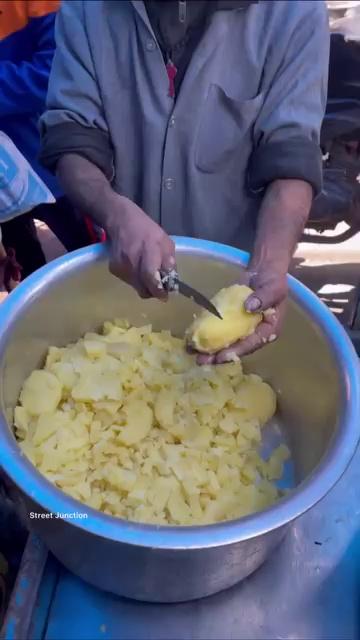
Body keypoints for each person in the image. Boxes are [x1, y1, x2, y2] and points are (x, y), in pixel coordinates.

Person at [39, 0, 330, 362]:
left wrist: (269, 263)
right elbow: (71, 135)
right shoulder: (87, 9)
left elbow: (291, 150)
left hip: (236, 277)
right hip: (123, 278)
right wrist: (115, 213)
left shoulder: (295, 11)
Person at [0, 0, 93, 279]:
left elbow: (57, 71)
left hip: (51, 160)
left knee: (93, 254)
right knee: (25, 274)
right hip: (6, 187)